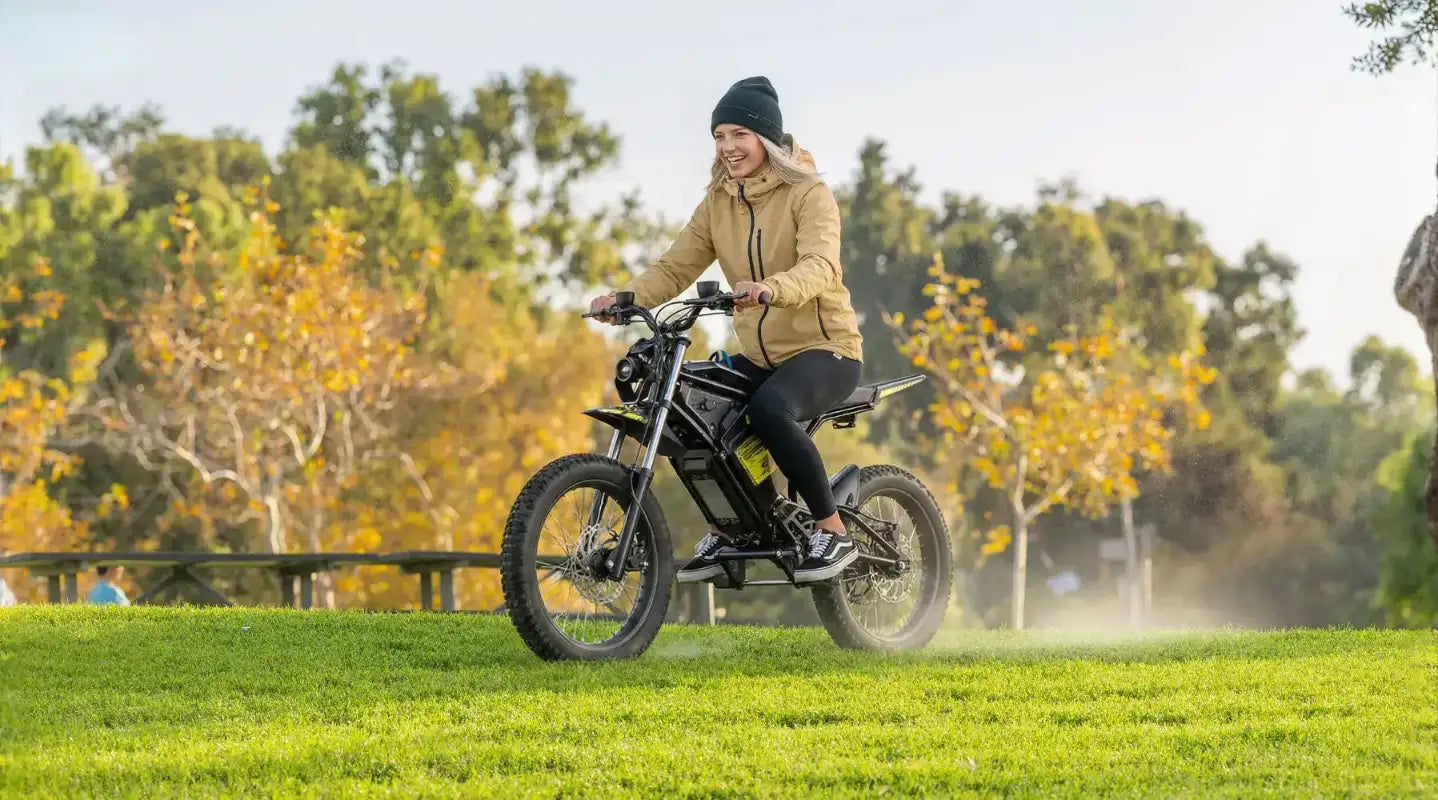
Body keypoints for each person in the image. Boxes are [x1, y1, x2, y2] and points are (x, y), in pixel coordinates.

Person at [588, 76, 865, 584]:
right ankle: (739, 526)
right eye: (719, 136)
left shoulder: (809, 193)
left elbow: (822, 265)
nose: (727, 147)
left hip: (827, 350)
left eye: (739, 134)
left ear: (765, 138)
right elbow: (675, 267)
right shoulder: (719, 202)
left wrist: (772, 289)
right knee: (690, 407)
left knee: (768, 409)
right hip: (761, 356)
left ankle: (833, 530)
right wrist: (627, 298)